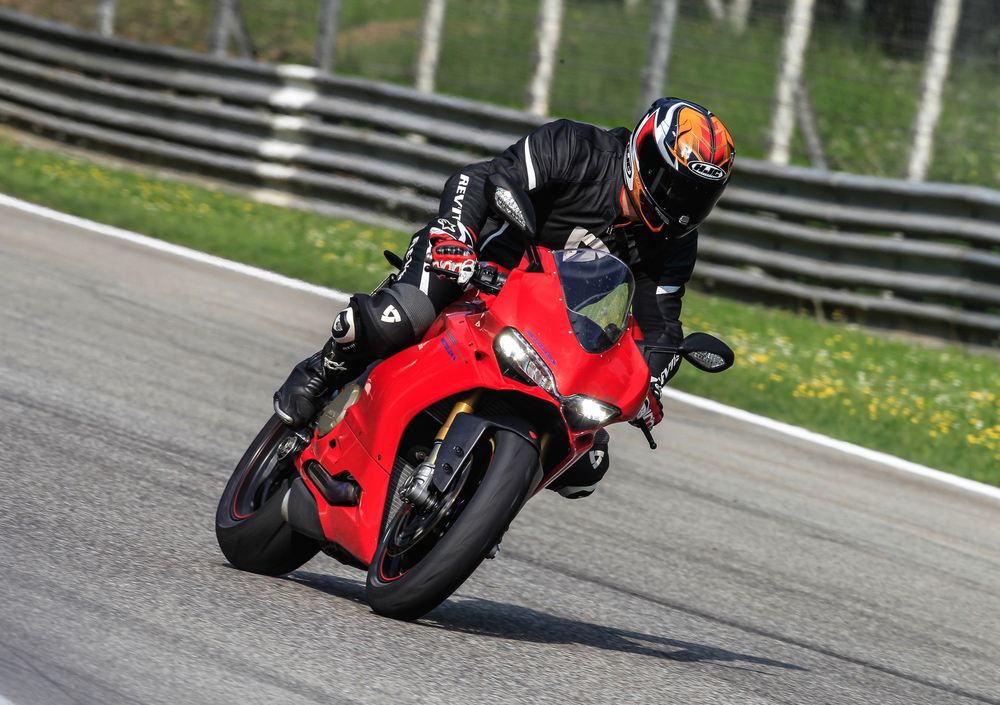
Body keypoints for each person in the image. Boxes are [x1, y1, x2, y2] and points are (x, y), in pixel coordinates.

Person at [273, 97, 735, 499]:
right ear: (643, 157)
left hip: (548, 327)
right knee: (401, 318)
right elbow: (481, 178)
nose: (680, 206)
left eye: (697, 198)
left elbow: (660, 325)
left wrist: (649, 383)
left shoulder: (676, 244)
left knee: (586, 461)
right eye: (672, 185)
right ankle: (323, 369)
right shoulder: (576, 148)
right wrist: (457, 234)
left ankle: (479, 505)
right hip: (474, 268)